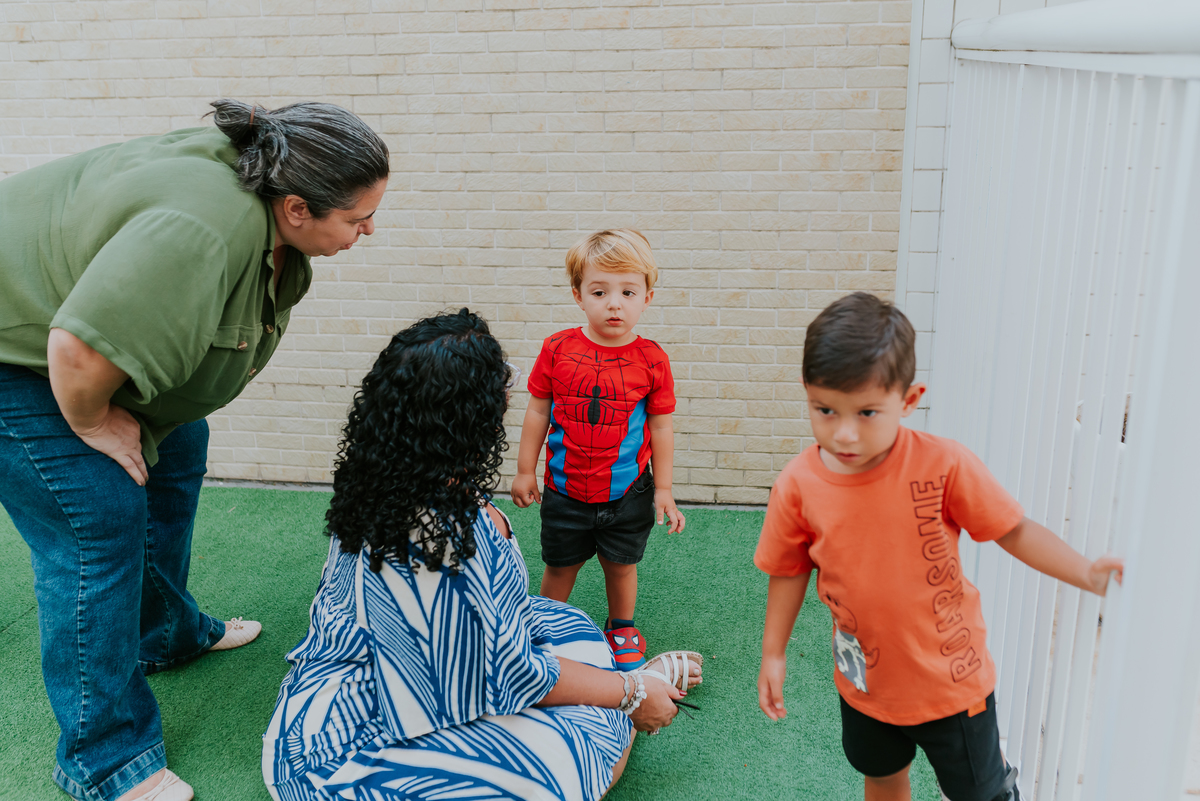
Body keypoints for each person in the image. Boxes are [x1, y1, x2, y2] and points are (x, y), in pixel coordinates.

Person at [0, 100, 389, 801]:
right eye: (357, 219)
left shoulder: (265, 181)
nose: (368, 231)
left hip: (68, 335)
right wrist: (92, 423)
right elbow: (77, 348)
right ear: (296, 209)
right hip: (22, 353)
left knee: (179, 451)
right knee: (97, 521)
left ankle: (165, 632)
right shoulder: (201, 230)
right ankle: (103, 758)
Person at [263, 309, 703, 801]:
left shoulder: (382, 477)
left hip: (349, 695)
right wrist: (633, 694)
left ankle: (623, 683)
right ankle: (645, 680)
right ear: (470, 414)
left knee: (566, 620)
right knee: (577, 751)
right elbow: (504, 673)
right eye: (501, 384)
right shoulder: (441, 534)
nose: (511, 395)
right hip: (355, 748)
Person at [754, 292, 1125, 801]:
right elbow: (789, 569)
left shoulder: (943, 465)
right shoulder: (798, 484)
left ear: (908, 401)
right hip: (866, 685)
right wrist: (773, 653)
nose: (844, 433)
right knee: (883, 776)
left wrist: (1087, 573)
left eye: (866, 412)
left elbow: (1012, 529)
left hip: (953, 682)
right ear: (806, 393)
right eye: (825, 409)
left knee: (981, 794)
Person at [509, 229, 685, 670]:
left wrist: (663, 488)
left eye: (628, 291)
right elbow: (537, 412)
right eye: (600, 291)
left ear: (647, 297)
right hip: (565, 489)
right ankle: (545, 625)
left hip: (628, 492)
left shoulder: (652, 359)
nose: (614, 303)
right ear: (578, 295)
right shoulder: (557, 349)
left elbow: (661, 426)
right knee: (559, 565)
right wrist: (525, 471)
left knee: (621, 565)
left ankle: (621, 625)